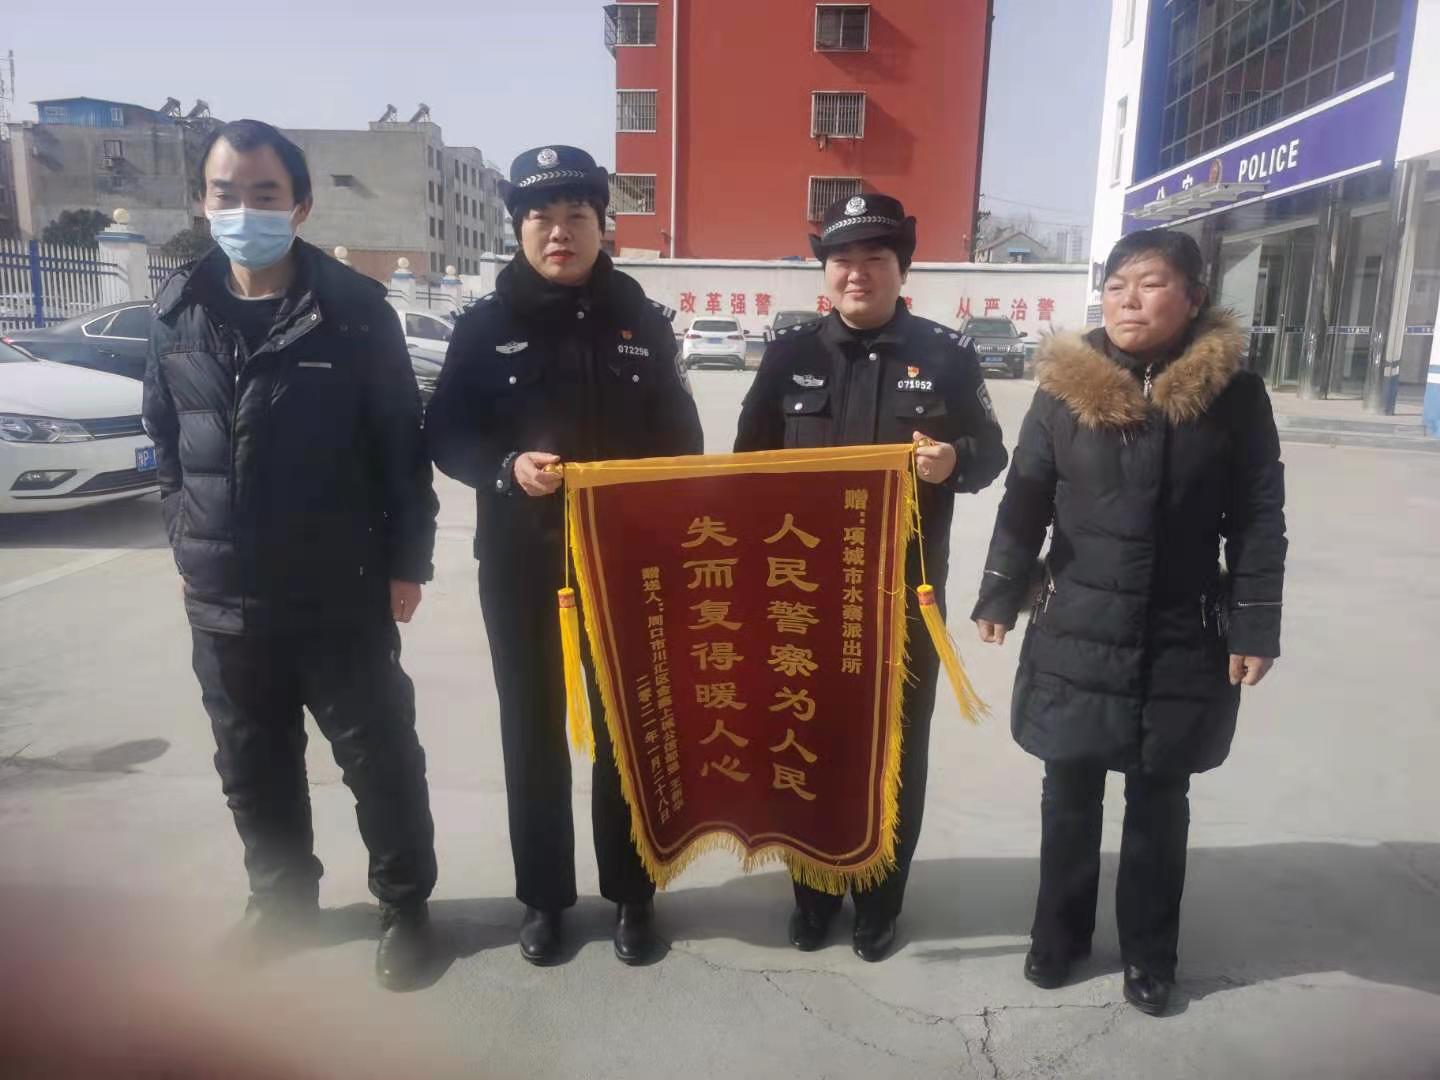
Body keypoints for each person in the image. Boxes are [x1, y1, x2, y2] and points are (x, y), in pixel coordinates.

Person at [142, 119, 439, 990]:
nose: (245, 210)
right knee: (252, 768)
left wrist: (407, 565)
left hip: (338, 593)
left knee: (379, 762)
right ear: (203, 203)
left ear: (301, 206)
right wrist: (186, 538)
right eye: (226, 193)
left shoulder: (354, 312)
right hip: (225, 602)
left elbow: (401, 449)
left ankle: (405, 909)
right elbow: (166, 443)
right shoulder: (177, 310)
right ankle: (281, 908)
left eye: (265, 194)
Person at [971, 228, 1287, 1015]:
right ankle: (1058, 935)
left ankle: (1150, 953)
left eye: (1149, 283)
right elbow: (1026, 497)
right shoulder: (1064, 389)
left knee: (1159, 799)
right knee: (1069, 789)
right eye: (1116, 285)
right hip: (1077, 622)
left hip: (1183, 631)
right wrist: (1000, 592)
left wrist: (1254, 625)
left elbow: (1258, 517)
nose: (1128, 300)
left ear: (1193, 297)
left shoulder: (1235, 396)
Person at [426, 145, 703, 966]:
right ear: (518, 228)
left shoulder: (642, 321)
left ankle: (633, 896)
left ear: (600, 225)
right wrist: (506, 468)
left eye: (576, 216)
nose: (559, 232)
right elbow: (447, 433)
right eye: (541, 218)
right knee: (533, 728)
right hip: (522, 563)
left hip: (627, 565)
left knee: (627, 728)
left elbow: (683, 438)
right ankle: (543, 900)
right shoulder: (484, 326)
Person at [734, 193, 1007, 961]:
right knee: (806, 740)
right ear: (825, 271)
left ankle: (880, 899)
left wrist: (953, 462)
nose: (858, 273)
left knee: (895, 750)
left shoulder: (946, 354)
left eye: (875, 259)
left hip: (902, 596)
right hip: (801, 598)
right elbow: (747, 464)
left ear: (901, 268)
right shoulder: (790, 356)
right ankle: (814, 893)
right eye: (843, 259)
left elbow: (992, 451)